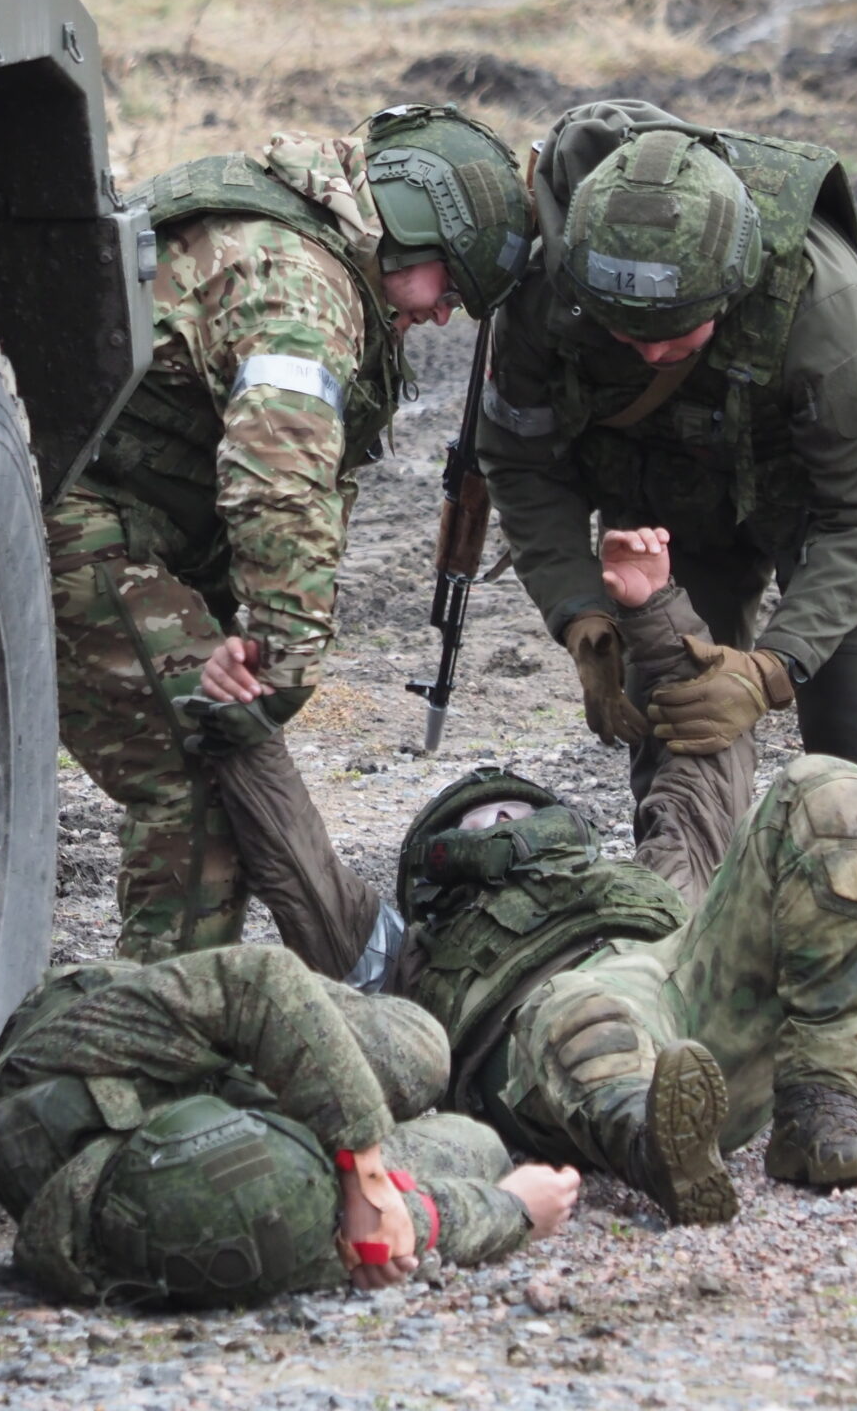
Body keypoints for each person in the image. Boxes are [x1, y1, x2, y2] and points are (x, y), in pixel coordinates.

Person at [473, 97, 857, 1127]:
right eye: (628, 337)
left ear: (732, 289)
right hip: (668, 465)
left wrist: (773, 668)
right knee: (680, 699)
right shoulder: (545, 292)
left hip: (828, 479)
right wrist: (581, 618)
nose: (651, 354)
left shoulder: (819, 305)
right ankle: (681, 978)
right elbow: (520, 462)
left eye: (678, 333)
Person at [55, 104, 533, 983]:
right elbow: (277, 477)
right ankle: (152, 1047)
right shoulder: (300, 286)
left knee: (222, 766)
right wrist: (280, 658)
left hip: (106, 508)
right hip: (73, 514)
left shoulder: (284, 226)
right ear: (413, 229)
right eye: (450, 288)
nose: (442, 316)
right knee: (199, 786)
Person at [388, 521, 857, 1215]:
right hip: (568, 1069)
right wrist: (239, 707)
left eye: (515, 811)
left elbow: (703, 745)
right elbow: (293, 865)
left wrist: (652, 607)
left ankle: (819, 1108)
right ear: (435, 869)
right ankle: (659, 1149)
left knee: (830, 788)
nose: (502, 824)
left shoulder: (650, 877)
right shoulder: (408, 950)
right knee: (578, 1002)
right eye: (475, 823)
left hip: (705, 1013)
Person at [0, 944, 581, 1306]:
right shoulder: (191, 1238)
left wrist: (364, 1172)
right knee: (481, 1145)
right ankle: (328, 1126)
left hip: (184, 1037)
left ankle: (334, 1107)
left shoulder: (90, 1037)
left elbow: (260, 979)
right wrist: (513, 1210)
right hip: (211, 1135)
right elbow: (371, 1239)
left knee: (421, 1053)